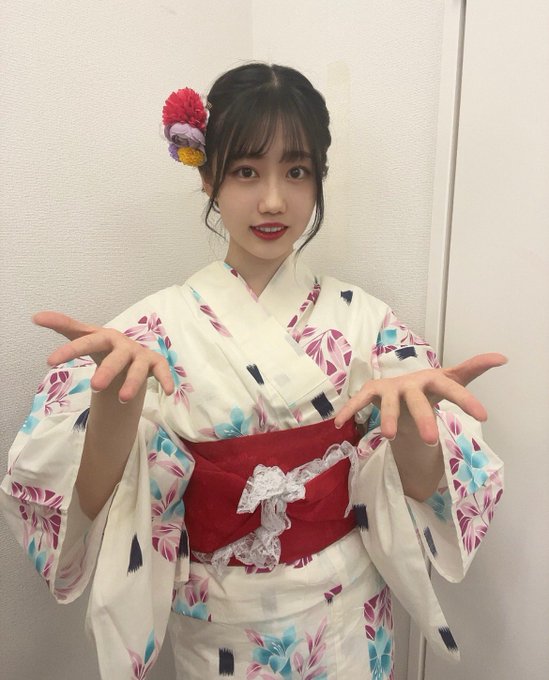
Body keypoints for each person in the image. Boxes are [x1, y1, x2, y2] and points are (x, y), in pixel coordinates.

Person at [1, 63, 505, 680]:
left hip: (350, 621)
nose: (273, 200)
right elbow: (81, 506)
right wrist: (113, 410)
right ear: (207, 176)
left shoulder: (366, 322)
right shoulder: (148, 332)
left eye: (296, 171)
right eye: (246, 171)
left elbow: (428, 493)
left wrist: (417, 437)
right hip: (220, 630)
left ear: (319, 178)